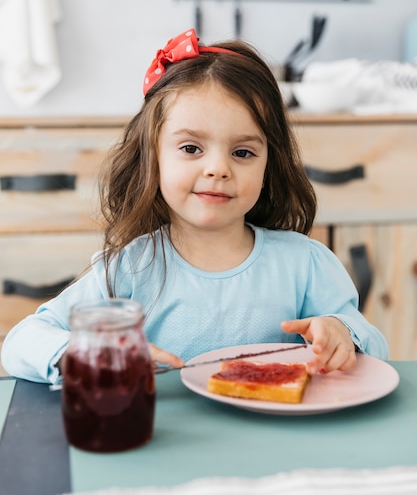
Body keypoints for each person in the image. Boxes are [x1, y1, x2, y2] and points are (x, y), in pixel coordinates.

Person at [1, 29, 388, 384]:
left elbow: (376, 347)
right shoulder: (132, 268)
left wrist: (343, 335)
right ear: (152, 155)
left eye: (243, 152)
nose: (218, 169)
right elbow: (21, 341)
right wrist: (84, 355)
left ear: (270, 164)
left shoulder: (305, 263)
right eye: (191, 148)